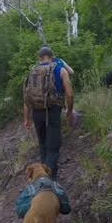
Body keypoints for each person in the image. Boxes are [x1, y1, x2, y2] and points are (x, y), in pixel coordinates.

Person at [23, 46, 75, 179]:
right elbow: (69, 94)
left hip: (36, 112)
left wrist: (27, 119)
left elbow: (27, 98)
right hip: (53, 111)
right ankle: (48, 181)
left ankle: (41, 178)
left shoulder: (32, 71)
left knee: (43, 146)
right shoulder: (60, 69)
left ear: (39, 58)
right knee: (53, 148)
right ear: (52, 56)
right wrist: (69, 111)